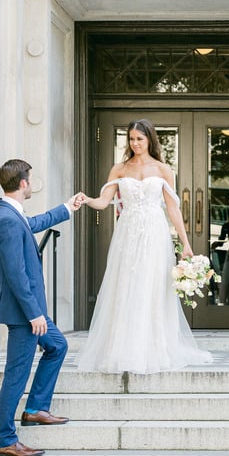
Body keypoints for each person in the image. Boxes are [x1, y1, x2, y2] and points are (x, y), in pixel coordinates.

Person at [76, 119, 212, 374]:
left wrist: (185, 244)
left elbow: (173, 208)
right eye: (131, 139)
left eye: (139, 138)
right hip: (127, 234)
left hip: (154, 232)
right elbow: (104, 202)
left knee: (151, 286)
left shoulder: (163, 169)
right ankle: (121, 350)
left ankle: (155, 348)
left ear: (149, 139)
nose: (135, 143)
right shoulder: (119, 168)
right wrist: (86, 200)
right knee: (125, 285)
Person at [0, 158, 84, 456]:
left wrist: (67, 208)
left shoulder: (9, 214)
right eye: (30, 179)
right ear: (24, 183)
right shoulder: (5, 220)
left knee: (57, 345)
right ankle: (4, 439)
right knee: (15, 376)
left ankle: (36, 408)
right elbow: (16, 274)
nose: (32, 183)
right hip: (24, 314)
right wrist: (34, 314)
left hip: (30, 311)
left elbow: (34, 224)